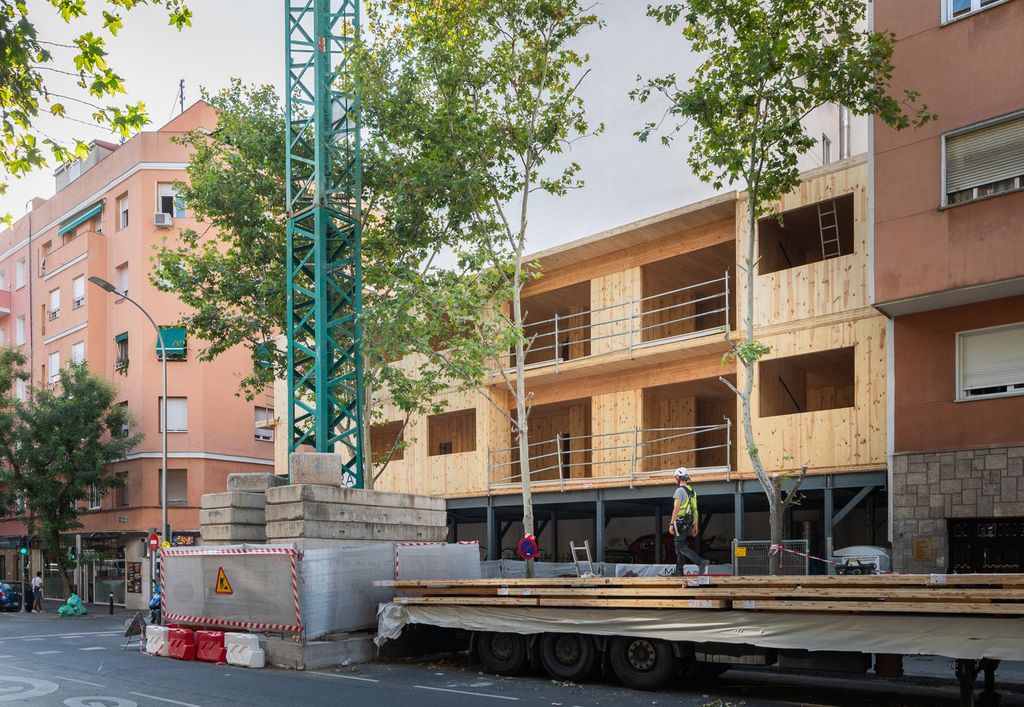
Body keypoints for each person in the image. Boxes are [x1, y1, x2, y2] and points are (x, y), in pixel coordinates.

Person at [668, 468, 710, 575]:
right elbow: (695, 510)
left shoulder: (679, 491)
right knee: (680, 546)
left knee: (680, 546)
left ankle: (700, 561)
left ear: (678, 478)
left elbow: (676, 509)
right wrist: (695, 525)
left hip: (680, 521)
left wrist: (672, 523)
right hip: (688, 523)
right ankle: (679, 570)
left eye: (675, 477)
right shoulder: (693, 492)